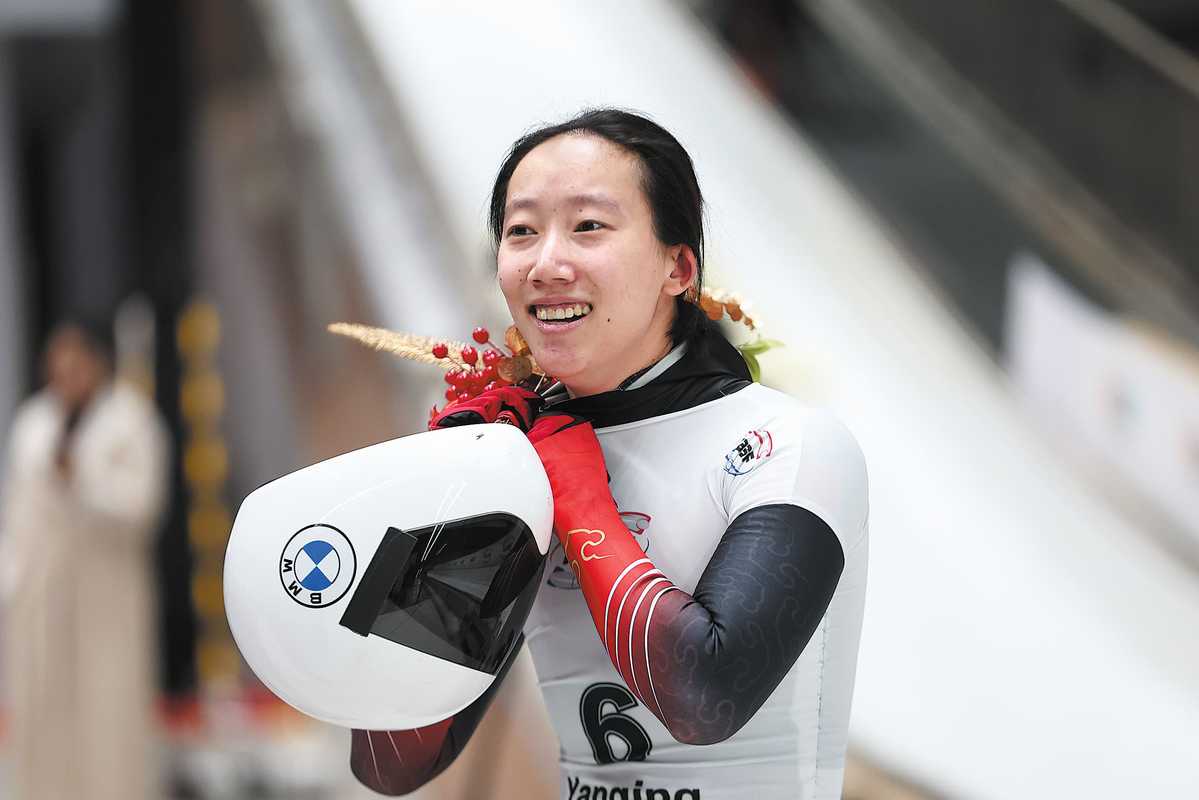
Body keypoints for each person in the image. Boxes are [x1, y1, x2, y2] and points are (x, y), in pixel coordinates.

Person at [350, 109, 868, 799]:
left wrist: (578, 497)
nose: (546, 262)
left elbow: (700, 696)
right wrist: (443, 530)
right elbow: (389, 764)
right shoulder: (515, 463)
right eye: (521, 232)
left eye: (588, 226)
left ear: (678, 267)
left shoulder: (791, 441)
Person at [0, 319, 169, 800]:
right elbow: (18, 507)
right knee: (43, 706)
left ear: (98, 364)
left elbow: (142, 505)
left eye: (77, 364)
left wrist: (83, 479)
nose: (66, 375)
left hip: (106, 592)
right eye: (58, 364)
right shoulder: (34, 423)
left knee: (107, 706)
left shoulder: (130, 419)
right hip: (42, 591)